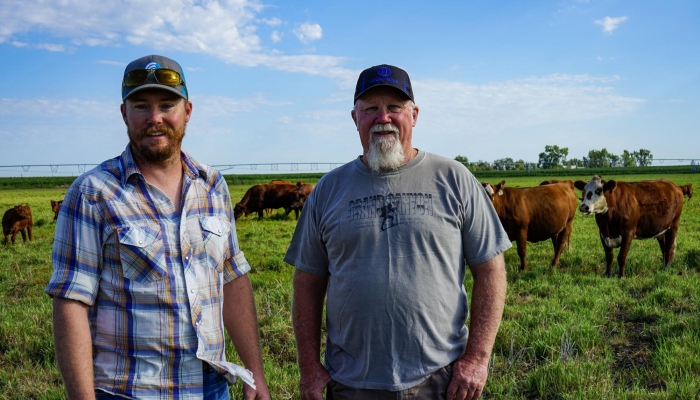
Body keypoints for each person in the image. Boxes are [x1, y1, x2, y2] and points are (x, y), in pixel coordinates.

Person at [45, 55, 270, 400]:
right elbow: (71, 302)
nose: (155, 118)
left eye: (167, 104)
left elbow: (232, 277)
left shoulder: (212, 186)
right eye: (141, 106)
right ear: (124, 113)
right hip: (130, 390)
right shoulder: (93, 193)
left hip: (211, 387)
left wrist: (255, 372)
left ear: (187, 111)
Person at [284, 64, 511, 400]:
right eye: (371, 109)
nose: (383, 118)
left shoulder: (454, 179)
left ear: (414, 114)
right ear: (354, 118)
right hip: (351, 382)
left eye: (394, 108)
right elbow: (307, 281)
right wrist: (309, 368)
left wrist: (477, 359)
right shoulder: (328, 190)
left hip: (441, 380)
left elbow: (491, 270)